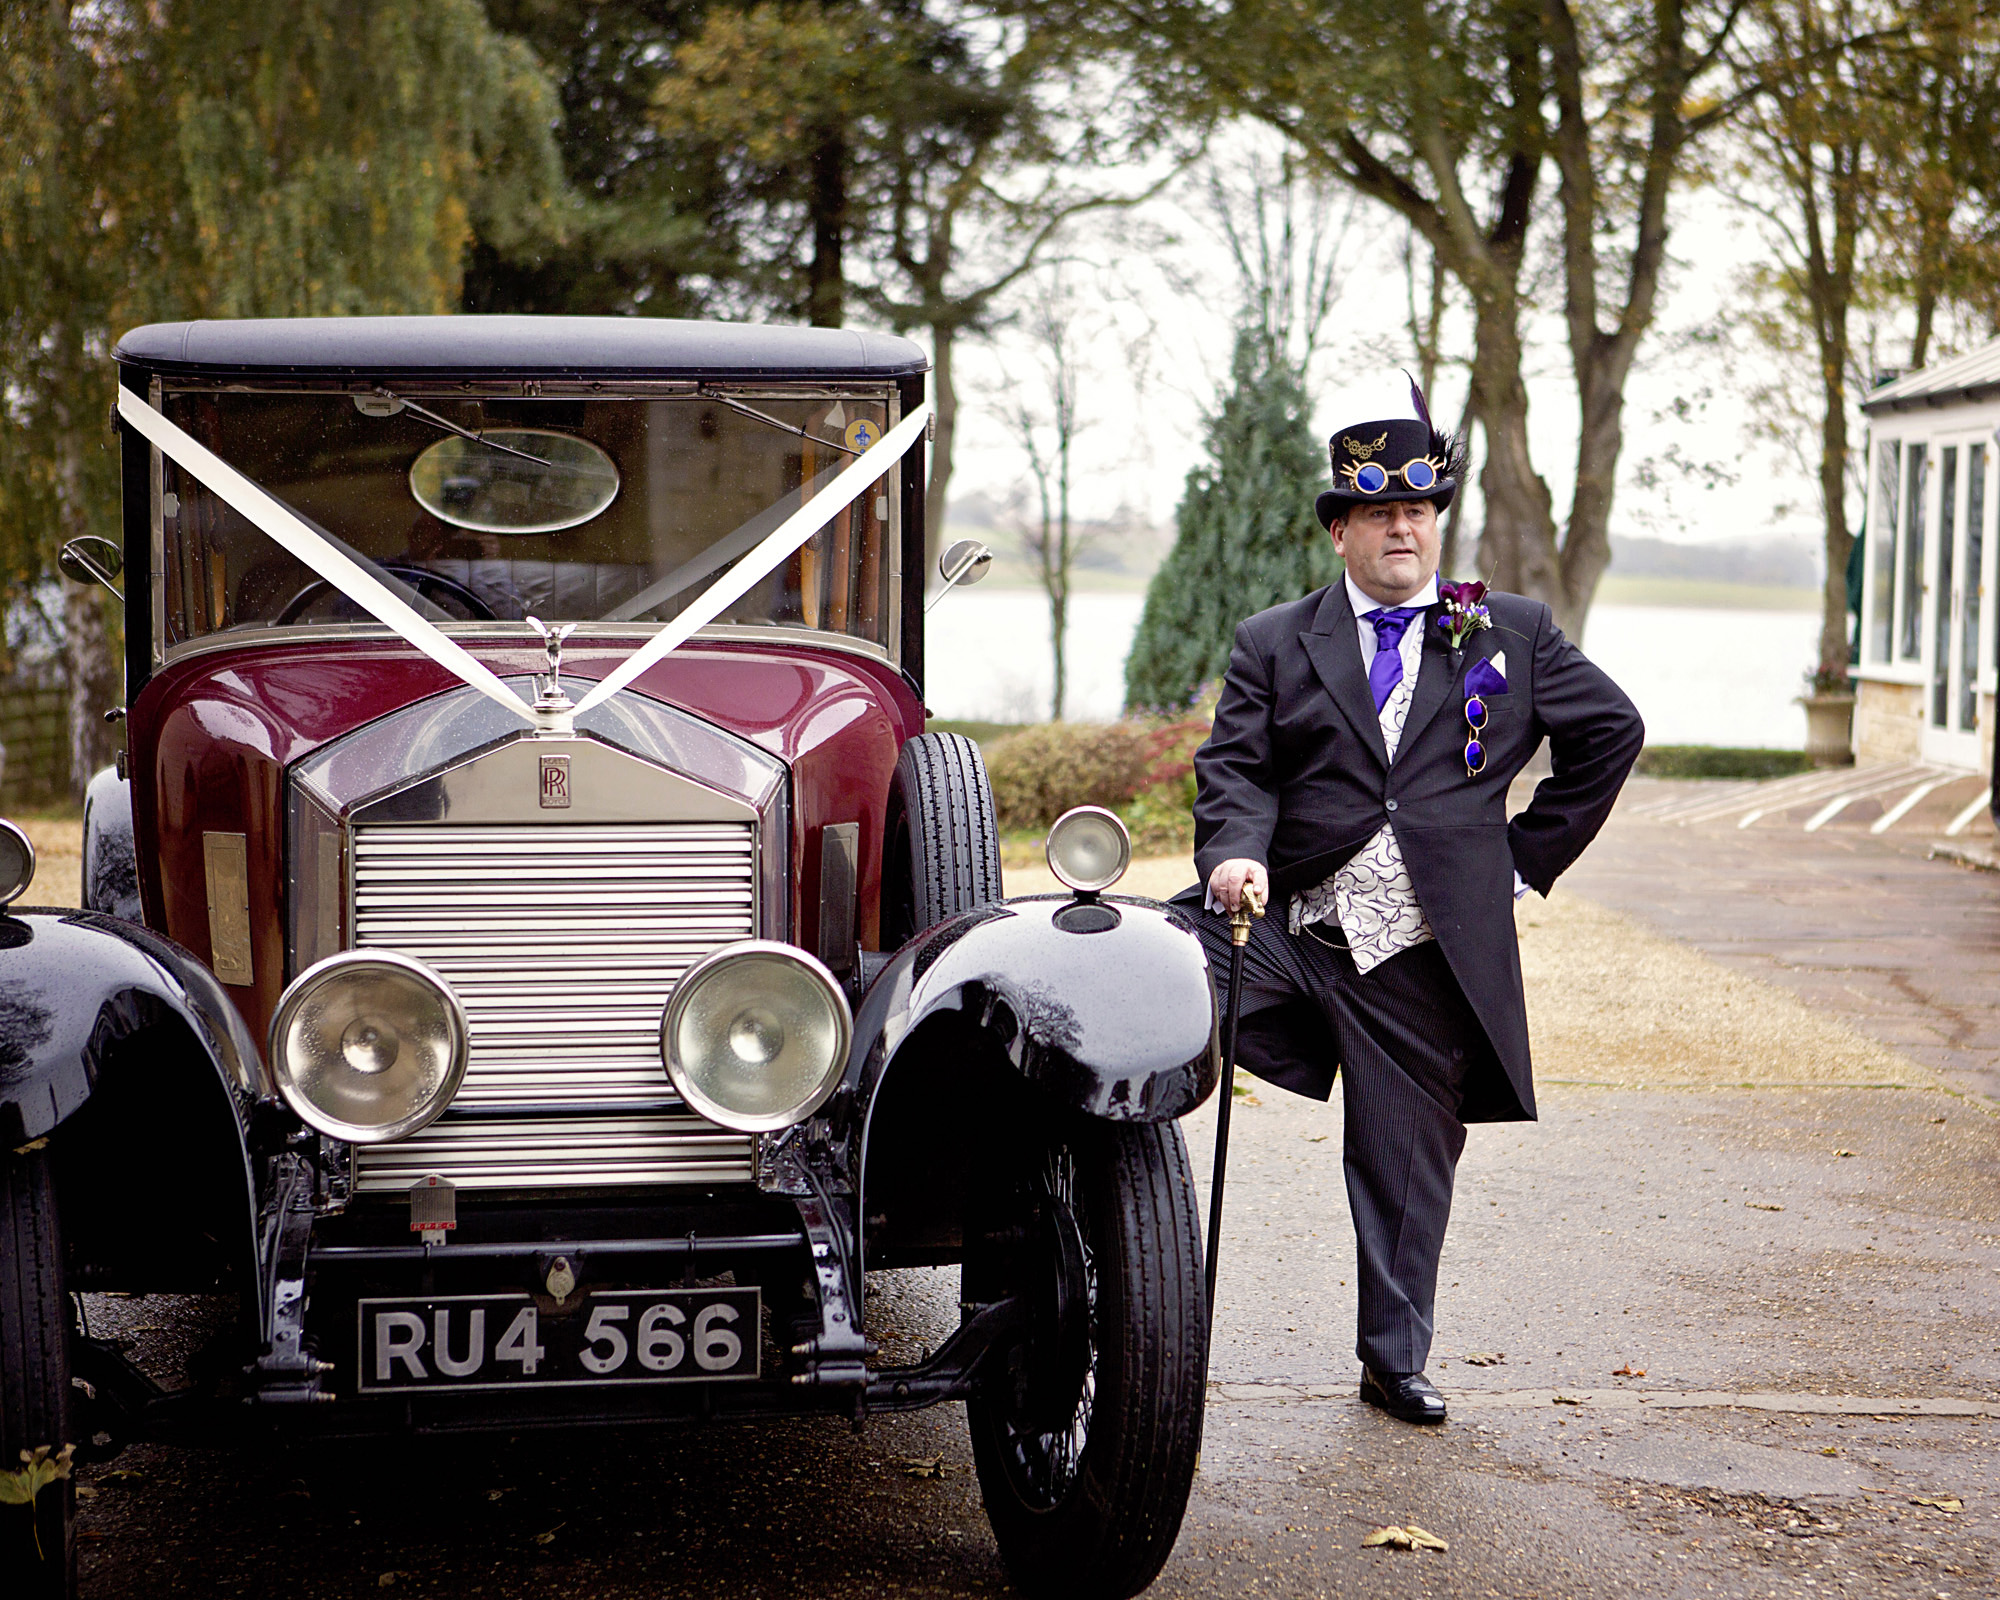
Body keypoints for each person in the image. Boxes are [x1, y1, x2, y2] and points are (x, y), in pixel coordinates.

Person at [1186, 369, 1643, 1424]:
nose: (1403, 527)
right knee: (1142, 978)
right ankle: (1113, 1212)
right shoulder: (1272, 638)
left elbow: (1609, 733)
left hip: (1418, 957)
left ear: (1435, 524)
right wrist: (1233, 853)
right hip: (1286, 924)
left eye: (1418, 510)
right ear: (1338, 529)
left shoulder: (1507, 630)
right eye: (1380, 511)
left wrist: (1522, 860)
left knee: (1403, 1158)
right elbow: (1236, 770)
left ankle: (1391, 1361)